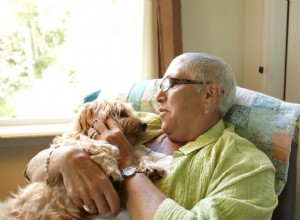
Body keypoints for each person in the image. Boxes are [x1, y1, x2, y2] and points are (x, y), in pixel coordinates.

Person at [25, 53, 278, 219]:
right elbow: (31, 169)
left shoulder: (246, 164)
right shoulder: (144, 124)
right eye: (159, 87)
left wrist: (126, 162)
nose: (158, 97)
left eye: (170, 84)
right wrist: (66, 157)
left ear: (210, 94)